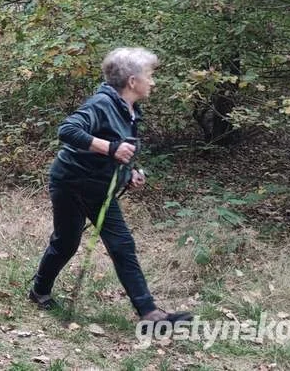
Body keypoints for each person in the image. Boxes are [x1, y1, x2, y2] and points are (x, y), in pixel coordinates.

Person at [28, 48, 193, 326]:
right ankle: (39, 290)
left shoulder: (129, 110)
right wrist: (111, 148)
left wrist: (129, 174)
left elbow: (118, 151)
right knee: (66, 242)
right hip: (71, 183)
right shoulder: (101, 104)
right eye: (150, 76)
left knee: (122, 245)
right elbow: (67, 130)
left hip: (100, 188)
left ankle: (150, 313)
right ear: (132, 81)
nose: (153, 82)